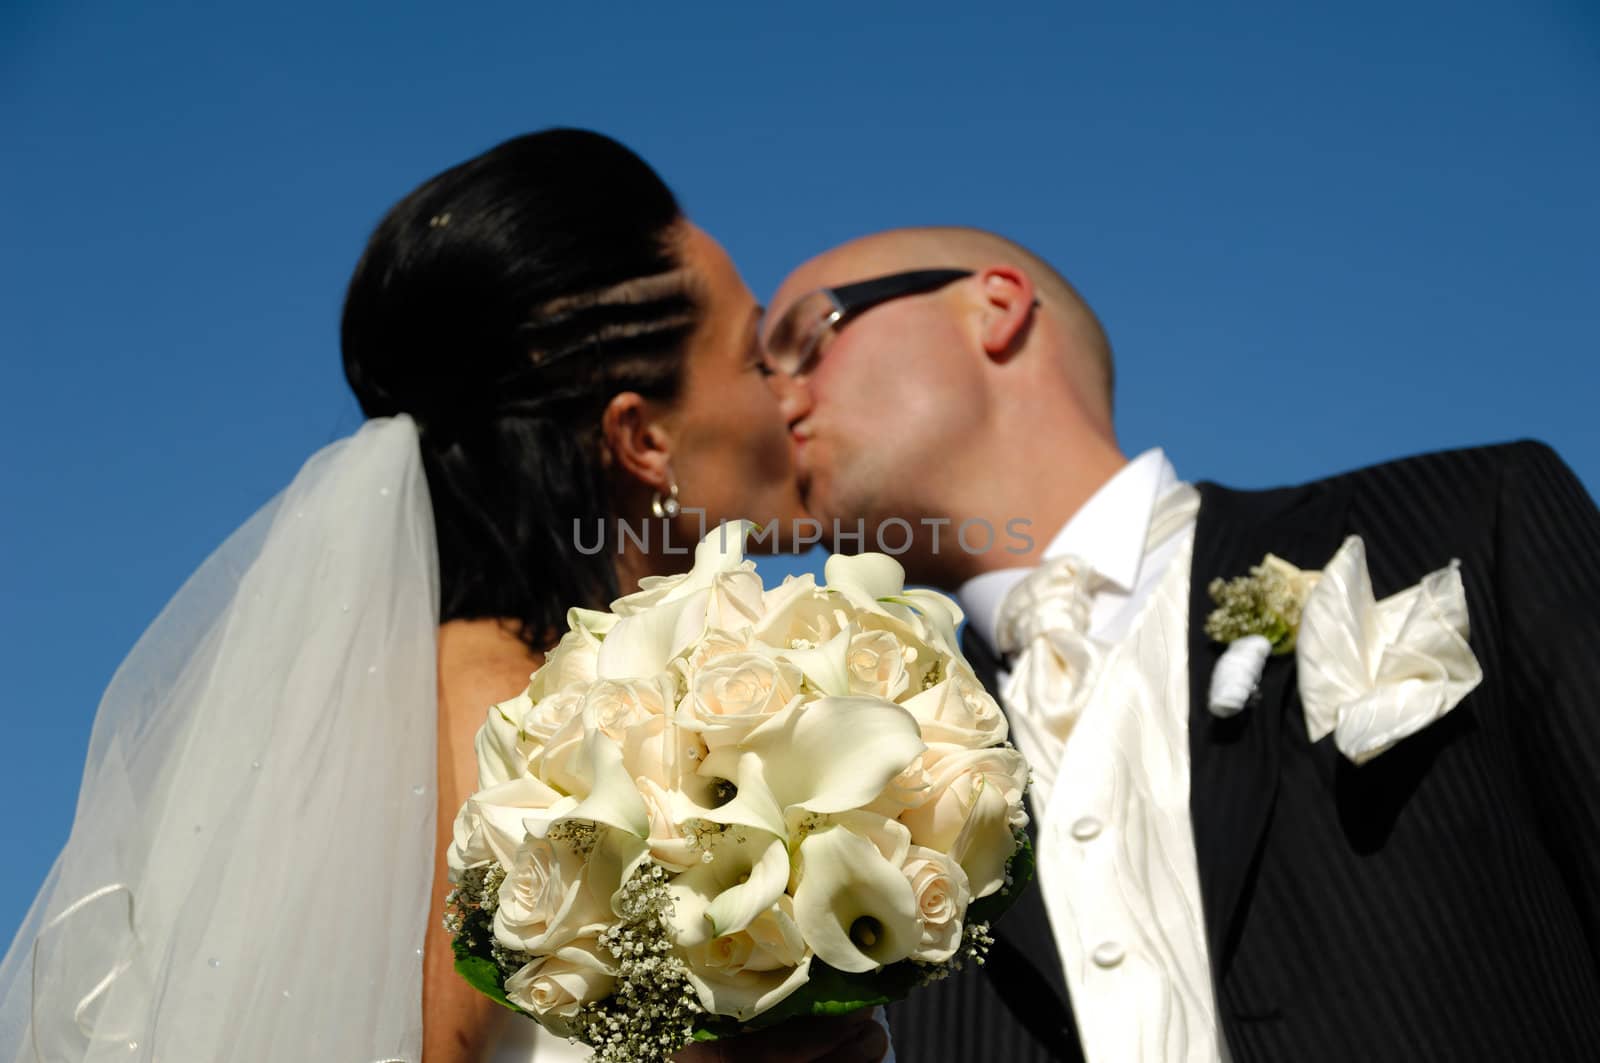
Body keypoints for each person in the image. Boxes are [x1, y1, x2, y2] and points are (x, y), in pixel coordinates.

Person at [0, 130, 885, 1063]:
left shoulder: (577, 693)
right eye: (754, 359)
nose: (790, 395)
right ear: (643, 440)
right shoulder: (499, 716)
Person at [761, 226, 1600, 1062]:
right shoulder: (861, 785)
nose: (773, 400)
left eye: (805, 340)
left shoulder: (1469, 519)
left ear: (998, 307)